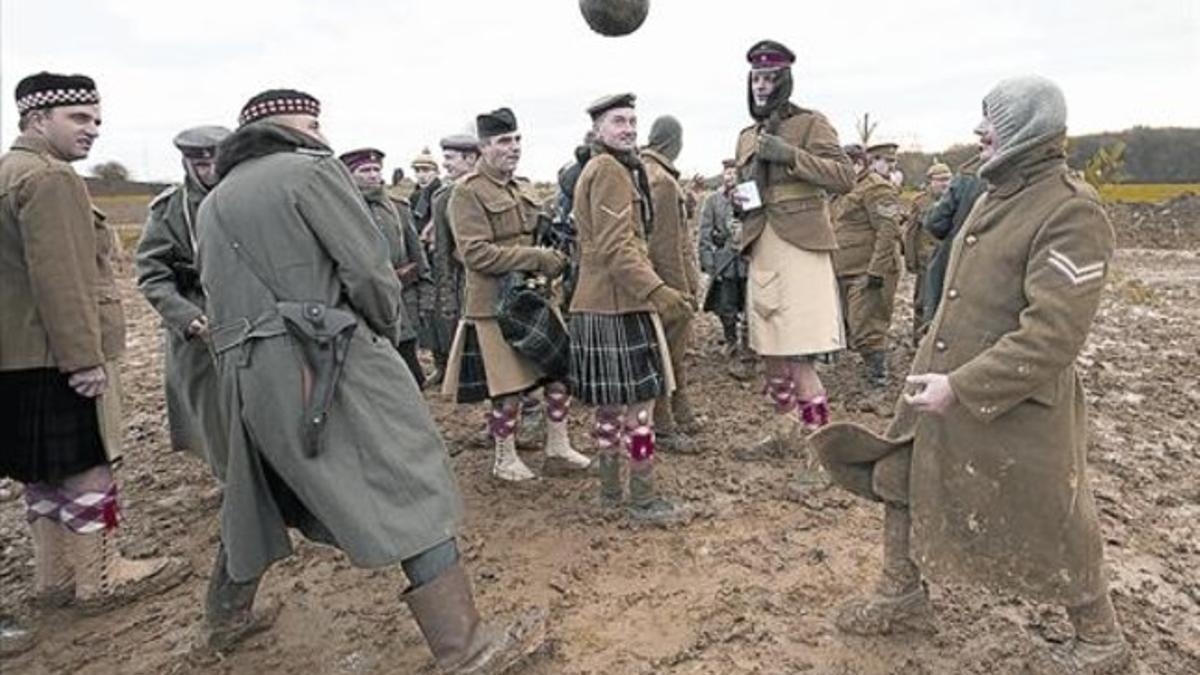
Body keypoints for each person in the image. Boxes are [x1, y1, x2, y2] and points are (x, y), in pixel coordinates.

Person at [193, 89, 545, 670]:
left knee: (255, 495)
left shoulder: (213, 202)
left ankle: (224, 621)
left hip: (248, 376)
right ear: (282, 125)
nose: (319, 130)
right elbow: (369, 272)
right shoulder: (310, 173)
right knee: (406, 478)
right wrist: (383, 330)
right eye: (311, 120)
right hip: (329, 360)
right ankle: (466, 647)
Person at [813, 75, 1131, 674]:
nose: (979, 130)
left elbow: (1055, 335)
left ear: (1030, 129)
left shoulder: (1072, 210)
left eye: (994, 120)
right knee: (899, 474)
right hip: (943, 390)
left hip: (1013, 407)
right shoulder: (994, 195)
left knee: (1056, 516)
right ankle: (901, 593)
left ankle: (1101, 639)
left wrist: (963, 386)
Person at [0, 72, 189, 625]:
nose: (93, 131)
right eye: (79, 118)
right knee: (87, 465)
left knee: (42, 469)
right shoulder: (51, 179)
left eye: (97, 119)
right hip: (57, 352)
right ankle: (100, 578)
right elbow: (63, 281)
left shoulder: (8, 173)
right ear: (38, 118)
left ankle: (53, 577)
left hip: (15, 353)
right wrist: (84, 360)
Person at [442, 107, 591, 481]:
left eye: (517, 139)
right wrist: (536, 257)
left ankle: (557, 447)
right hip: (494, 304)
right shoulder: (467, 193)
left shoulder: (519, 188)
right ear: (483, 147)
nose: (514, 148)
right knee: (507, 389)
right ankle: (504, 458)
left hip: (533, 297)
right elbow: (475, 253)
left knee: (559, 374)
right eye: (505, 141)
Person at [731, 40, 856, 472]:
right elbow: (751, 191)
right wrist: (739, 198)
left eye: (769, 77)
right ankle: (784, 432)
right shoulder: (747, 135)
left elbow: (844, 177)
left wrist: (791, 157)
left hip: (801, 246)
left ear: (784, 79)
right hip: (762, 245)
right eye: (756, 78)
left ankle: (819, 450)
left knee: (800, 357)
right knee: (771, 352)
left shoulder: (810, 124)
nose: (762, 85)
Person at [569, 93, 692, 524]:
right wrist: (658, 291)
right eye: (618, 121)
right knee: (640, 408)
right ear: (599, 129)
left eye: (632, 121)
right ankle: (640, 500)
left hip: (599, 301)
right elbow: (617, 247)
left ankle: (609, 494)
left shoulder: (602, 167)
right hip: (619, 304)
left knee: (609, 410)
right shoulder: (610, 170)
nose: (628, 129)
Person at [136, 125, 231, 475]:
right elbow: (151, 273)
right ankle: (233, 482)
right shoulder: (169, 209)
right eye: (199, 163)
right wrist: (186, 317)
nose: (208, 171)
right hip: (200, 324)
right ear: (186, 163)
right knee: (216, 416)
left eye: (215, 162)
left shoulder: (251, 197)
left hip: (255, 315)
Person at [339, 146, 432, 387]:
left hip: (401, 301)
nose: (372, 175)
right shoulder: (339, 210)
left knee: (411, 372)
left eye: (376, 170)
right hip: (362, 303)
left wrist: (425, 298)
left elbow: (418, 257)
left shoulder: (398, 208)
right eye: (364, 170)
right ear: (349, 175)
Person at [640, 115, 703, 452]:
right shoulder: (662, 181)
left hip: (652, 281)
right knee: (667, 354)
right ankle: (663, 426)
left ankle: (680, 412)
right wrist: (681, 294)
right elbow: (665, 246)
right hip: (666, 283)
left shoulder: (647, 172)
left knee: (669, 354)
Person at [832, 142, 903, 390]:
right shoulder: (843, 190)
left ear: (858, 164)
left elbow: (887, 231)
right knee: (853, 324)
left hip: (868, 271)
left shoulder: (877, 188)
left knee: (867, 325)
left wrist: (876, 271)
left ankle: (878, 378)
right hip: (846, 270)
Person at [427, 134, 479, 388]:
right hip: (460, 277)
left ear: (470, 158)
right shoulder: (443, 196)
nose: (445, 164)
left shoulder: (488, 189)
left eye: (450, 158)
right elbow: (443, 249)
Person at [922, 155, 986, 323]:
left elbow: (935, 223)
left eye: (946, 179)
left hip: (958, 260)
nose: (944, 183)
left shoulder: (968, 178)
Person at [698, 159, 749, 357]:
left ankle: (749, 344)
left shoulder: (749, 197)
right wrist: (709, 263)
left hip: (746, 259)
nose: (730, 177)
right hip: (724, 261)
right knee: (725, 305)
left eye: (734, 173)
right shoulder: (712, 200)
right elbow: (705, 232)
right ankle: (730, 340)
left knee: (750, 304)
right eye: (727, 173)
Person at [900, 161, 951, 342]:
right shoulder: (921, 202)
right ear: (931, 182)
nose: (945, 183)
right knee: (922, 301)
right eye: (940, 180)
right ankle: (919, 339)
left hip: (949, 260)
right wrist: (911, 261)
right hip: (926, 262)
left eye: (948, 179)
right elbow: (911, 233)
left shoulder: (955, 201)